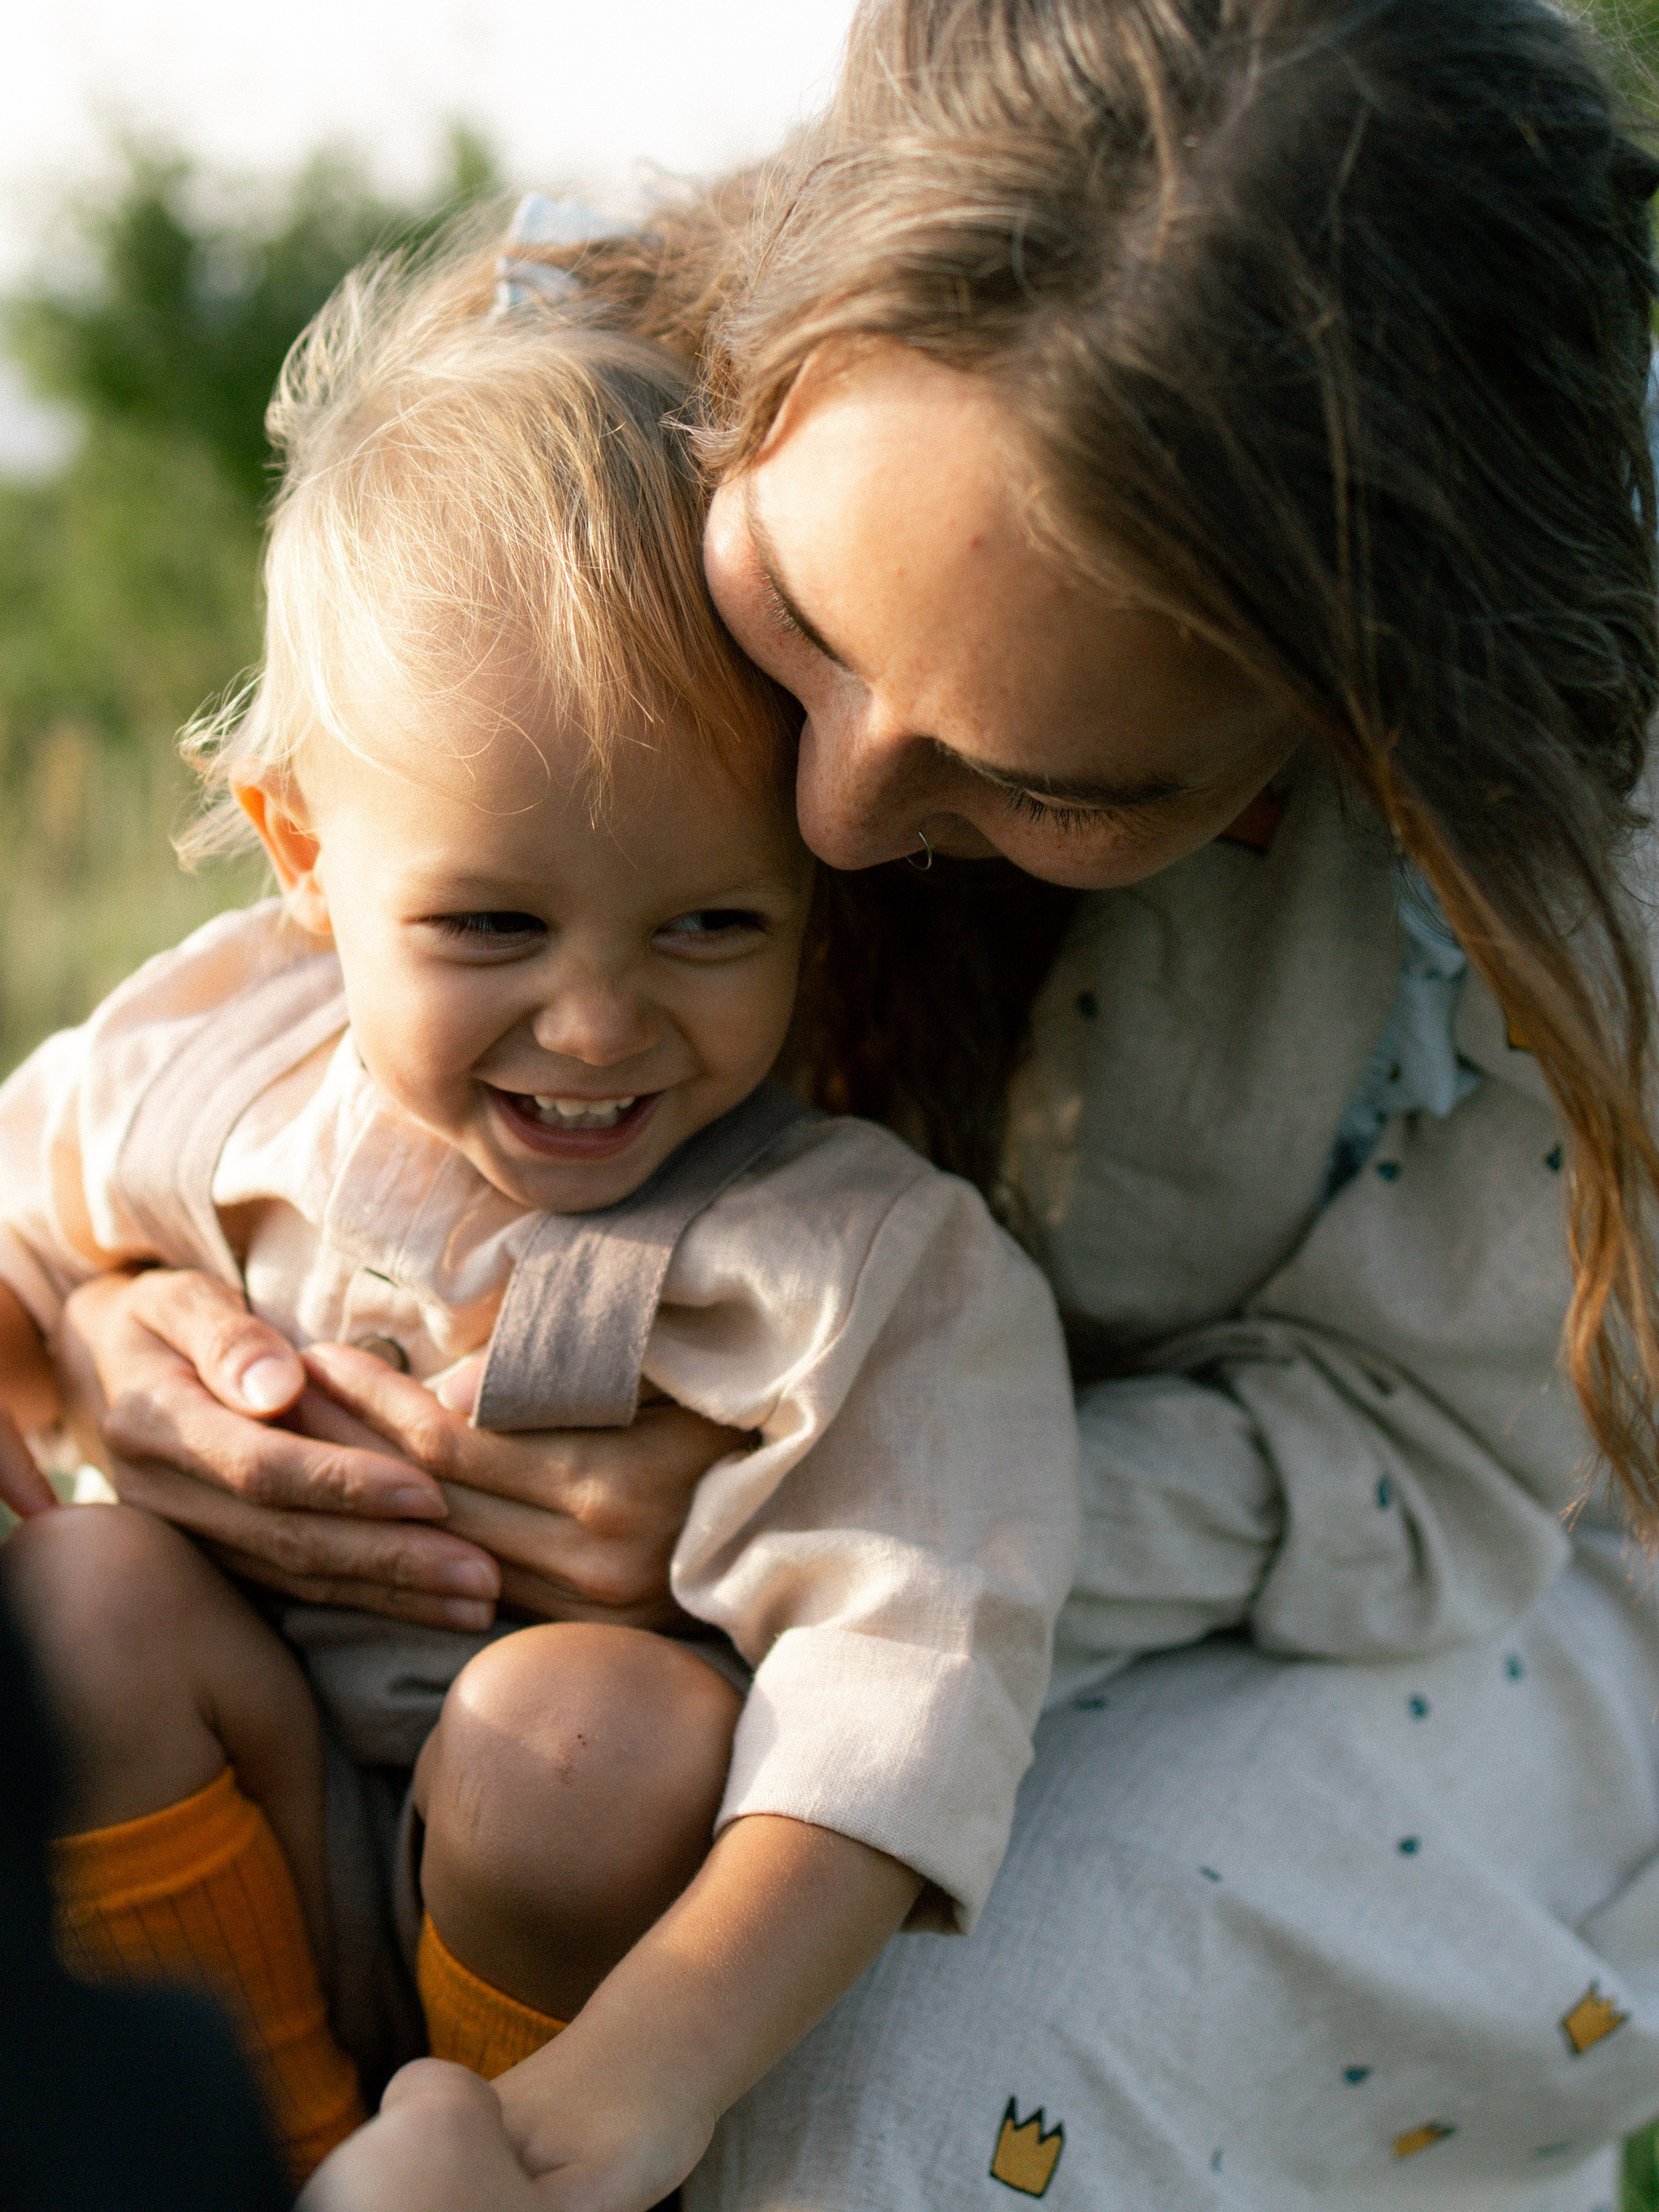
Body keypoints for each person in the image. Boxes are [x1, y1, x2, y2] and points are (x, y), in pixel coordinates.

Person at [30, 0, 1659, 2204]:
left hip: (1386, 1573)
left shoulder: (1543, 860)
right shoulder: (600, 402)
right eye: (794, 614)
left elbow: (1426, 1479)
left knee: (894, 2102)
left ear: (1341, 729)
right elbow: (263, 1022)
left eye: (1051, 781)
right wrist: (124, 1334)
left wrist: (806, 1515)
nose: (824, 805)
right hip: (536, 1633)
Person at [0, 218, 1078, 2207]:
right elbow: (19, 1207)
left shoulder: (850, 1261)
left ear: (822, 883)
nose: (595, 1025)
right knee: (72, 1602)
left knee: (580, 1730)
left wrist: (644, 2081)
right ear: (307, 856)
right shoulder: (220, 1054)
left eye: (711, 924)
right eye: (490, 922)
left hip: (580, 1935)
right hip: (253, 1793)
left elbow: (906, 1690)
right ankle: (252, 2145)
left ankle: (518, 2162)